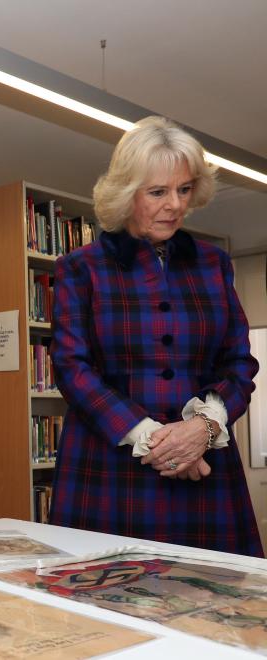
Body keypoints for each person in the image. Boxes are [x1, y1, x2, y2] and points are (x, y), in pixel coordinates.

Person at [49, 115, 262, 557]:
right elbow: (73, 369)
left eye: (184, 189)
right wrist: (157, 441)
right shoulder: (81, 267)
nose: (174, 205)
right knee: (106, 615)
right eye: (158, 192)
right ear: (128, 193)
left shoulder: (213, 264)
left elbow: (239, 363)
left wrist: (203, 427)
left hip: (205, 471)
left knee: (218, 613)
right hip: (111, 470)